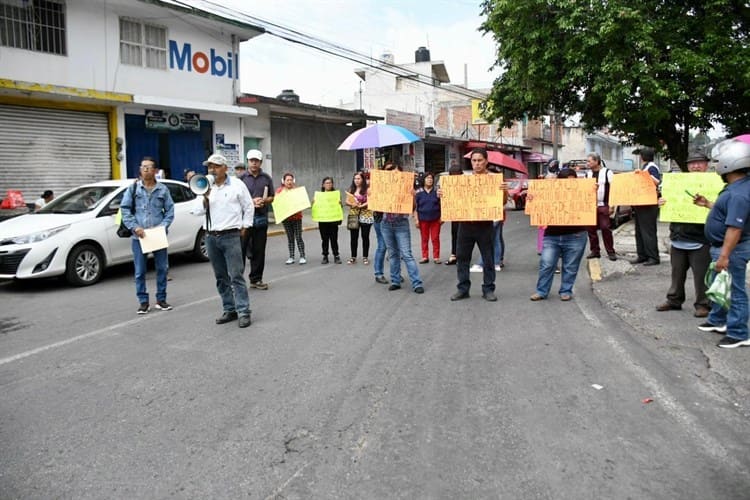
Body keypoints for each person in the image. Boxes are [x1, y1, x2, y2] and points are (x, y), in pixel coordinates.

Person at [693, 138, 750, 348]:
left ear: (731, 162)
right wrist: (707, 204)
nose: (716, 165)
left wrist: (725, 255)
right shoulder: (737, 187)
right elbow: (726, 214)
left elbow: (735, 228)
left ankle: (739, 333)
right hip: (723, 248)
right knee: (720, 285)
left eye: (718, 161)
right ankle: (719, 320)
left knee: (735, 290)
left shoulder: (739, 194)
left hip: (732, 250)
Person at [193, 153, 254, 328]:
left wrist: (246, 225)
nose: (212, 170)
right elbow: (196, 210)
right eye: (210, 166)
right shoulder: (204, 185)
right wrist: (205, 196)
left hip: (231, 235)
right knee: (220, 276)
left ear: (225, 168)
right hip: (211, 236)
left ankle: (243, 311)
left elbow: (248, 206)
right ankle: (230, 309)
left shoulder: (237, 184)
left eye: (216, 166)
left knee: (236, 275)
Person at [656, 151, 711, 318]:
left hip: (701, 239)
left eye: (699, 163)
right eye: (692, 163)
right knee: (676, 273)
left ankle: (703, 304)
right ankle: (674, 300)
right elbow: (668, 205)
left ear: (706, 165)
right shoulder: (677, 184)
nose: (695, 166)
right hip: (678, 237)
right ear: (687, 166)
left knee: (701, 276)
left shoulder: (714, 184)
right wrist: (662, 203)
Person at [121, 157, 175, 314]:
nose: (145, 169)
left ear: (155, 171)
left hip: (157, 235)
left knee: (162, 268)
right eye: (143, 167)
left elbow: (170, 211)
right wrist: (134, 227)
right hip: (139, 236)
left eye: (149, 167)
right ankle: (143, 302)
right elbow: (125, 209)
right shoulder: (133, 189)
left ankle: (161, 299)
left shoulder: (163, 190)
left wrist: (163, 226)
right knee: (140, 271)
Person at [529, 168, 588, 301]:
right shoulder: (550, 194)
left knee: (570, 266)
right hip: (552, 235)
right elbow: (535, 207)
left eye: (573, 182)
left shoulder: (582, 194)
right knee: (547, 263)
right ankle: (541, 291)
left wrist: (592, 191)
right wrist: (532, 199)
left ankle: (566, 291)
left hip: (576, 235)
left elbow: (590, 206)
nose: (569, 186)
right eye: (566, 182)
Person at [450, 148, 498, 302]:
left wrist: (503, 191)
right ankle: (463, 289)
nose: (477, 163)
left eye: (479, 160)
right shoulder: (463, 182)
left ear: (486, 161)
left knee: (488, 258)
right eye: (474, 161)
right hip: (465, 225)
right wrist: (443, 194)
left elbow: (501, 202)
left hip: (485, 226)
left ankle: (488, 289)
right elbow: (452, 200)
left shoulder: (494, 180)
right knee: (462, 258)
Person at [379, 163, 424, 294]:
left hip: (401, 223)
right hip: (386, 223)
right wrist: (371, 194)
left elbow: (413, 207)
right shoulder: (382, 187)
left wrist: (413, 196)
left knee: (406, 254)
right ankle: (395, 281)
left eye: (397, 172)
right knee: (393, 254)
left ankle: (416, 283)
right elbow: (375, 205)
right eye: (392, 173)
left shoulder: (407, 187)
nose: (395, 175)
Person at [240, 149, 274, 290]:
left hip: (260, 218)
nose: (254, 163)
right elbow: (235, 199)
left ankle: (256, 279)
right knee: (240, 250)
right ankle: (237, 280)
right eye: (251, 160)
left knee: (259, 250)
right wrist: (251, 202)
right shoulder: (241, 179)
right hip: (244, 221)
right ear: (248, 161)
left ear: (260, 162)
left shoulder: (266, 178)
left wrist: (265, 200)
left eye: (257, 161)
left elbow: (272, 196)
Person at [630, 146, 662, 266]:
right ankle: (642, 255)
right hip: (641, 203)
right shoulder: (645, 167)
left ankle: (653, 257)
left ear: (642, 157)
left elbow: (657, 181)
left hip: (649, 204)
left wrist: (643, 174)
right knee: (639, 231)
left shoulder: (651, 167)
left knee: (648, 231)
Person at [585, 152, 617, 261]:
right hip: (591, 206)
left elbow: (614, 189)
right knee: (591, 229)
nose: (587, 163)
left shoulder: (607, 172)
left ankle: (610, 251)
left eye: (589, 161)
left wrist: (612, 205)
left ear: (596, 161)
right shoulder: (587, 174)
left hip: (604, 205)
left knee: (605, 228)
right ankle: (595, 251)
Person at [277, 172, 307, 265]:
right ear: (283, 181)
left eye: (291, 180)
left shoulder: (297, 190)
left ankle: (302, 256)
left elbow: (302, 202)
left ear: (293, 181)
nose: (289, 182)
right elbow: (277, 203)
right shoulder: (279, 191)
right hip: (286, 218)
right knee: (290, 238)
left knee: (298, 237)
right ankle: (291, 256)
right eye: (287, 180)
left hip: (296, 217)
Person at [345, 171, 373, 265]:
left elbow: (370, 201)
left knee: (365, 236)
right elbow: (347, 201)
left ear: (363, 179)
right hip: (353, 214)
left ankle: (365, 257)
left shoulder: (367, 190)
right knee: (353, 237)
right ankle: (353, 256)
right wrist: (352, 203)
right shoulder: (351, 189)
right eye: (355, 179)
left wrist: (362, 205)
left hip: (366, 215)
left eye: (359, 178)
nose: (356, 180)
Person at [414, 172, 442, 263]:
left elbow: (443, 205)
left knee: (435, 238)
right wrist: (416, 219)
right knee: (424, 238)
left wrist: (442, 217)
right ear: (424, 180)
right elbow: (415, 207)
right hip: (423, 219)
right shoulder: (418, 193)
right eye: (428, 178)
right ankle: (425, 256)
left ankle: (436, 257)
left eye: (431, 178)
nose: (430, 180)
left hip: (435, 219)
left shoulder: (437, 192)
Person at [315, 176, 342, 264]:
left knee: (334, 238)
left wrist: (340, 204)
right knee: (324, 239)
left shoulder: (336, 195)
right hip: (323, 220)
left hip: (333, 220)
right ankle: (325, 255)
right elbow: (315, 207)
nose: (328, 184)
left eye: (330, 183)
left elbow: (339, 207)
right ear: (323, 185)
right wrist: (314, 202)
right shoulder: (319, 196)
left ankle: (336, 255)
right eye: (327, 183)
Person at [443, 163, 463, 265]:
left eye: (457, 175)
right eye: (452, 175)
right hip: (454, 214)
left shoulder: (467, 184)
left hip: (466, 214)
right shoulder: (448, 185)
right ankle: (454, 254)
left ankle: (461, 256)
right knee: (455, 234)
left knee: (464, 236)